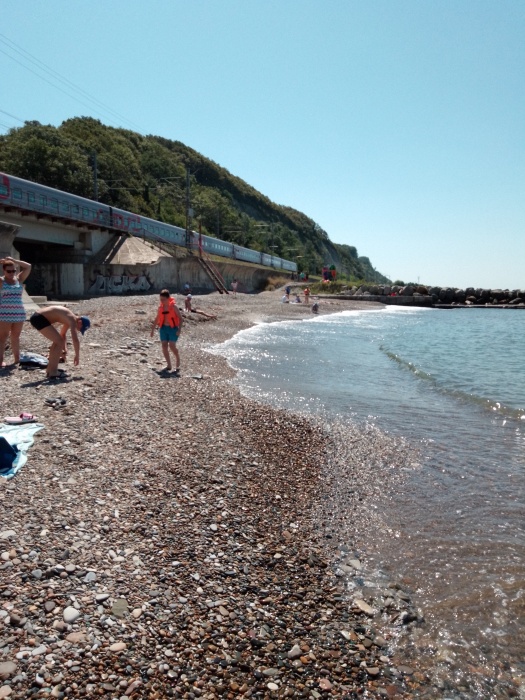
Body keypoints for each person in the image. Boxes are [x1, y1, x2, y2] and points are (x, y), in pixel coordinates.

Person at [29, 305, 90, 379]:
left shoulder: (70, 318)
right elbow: (75, 339)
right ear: (80, 322)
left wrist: (64, 349)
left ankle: (50, 369)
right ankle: (53, 371)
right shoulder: (73, 320)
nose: (79, 330)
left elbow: (62, 334)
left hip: (37, 317)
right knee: (58, 341)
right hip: (39, 318)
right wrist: (77, 356)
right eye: (81, 328)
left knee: (58, 341)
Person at [0, 256, 32, 368]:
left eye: (13, 271)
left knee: (15, 337)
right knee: (2, 338)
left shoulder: (19, 279)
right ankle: (0, 361)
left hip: (19, 313)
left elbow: (28, 266)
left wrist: (14, 261)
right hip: (4, 313)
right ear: (4, 270)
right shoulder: (1, 281)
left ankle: (17, 360)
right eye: (8, 271)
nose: (11, 273)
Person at [151, 289, 182, 373]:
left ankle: (177, 357)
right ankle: (169, 365)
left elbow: (180, 319)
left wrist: (179, 330)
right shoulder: (160, 308)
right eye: (160, 299)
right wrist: (152, 330)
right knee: (164, 346)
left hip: (173, 328)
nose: (162, 301)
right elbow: (157, 318)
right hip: (163, 328)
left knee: (172, 346)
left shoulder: (174, 307)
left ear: (168, 298)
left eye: (163, 299)